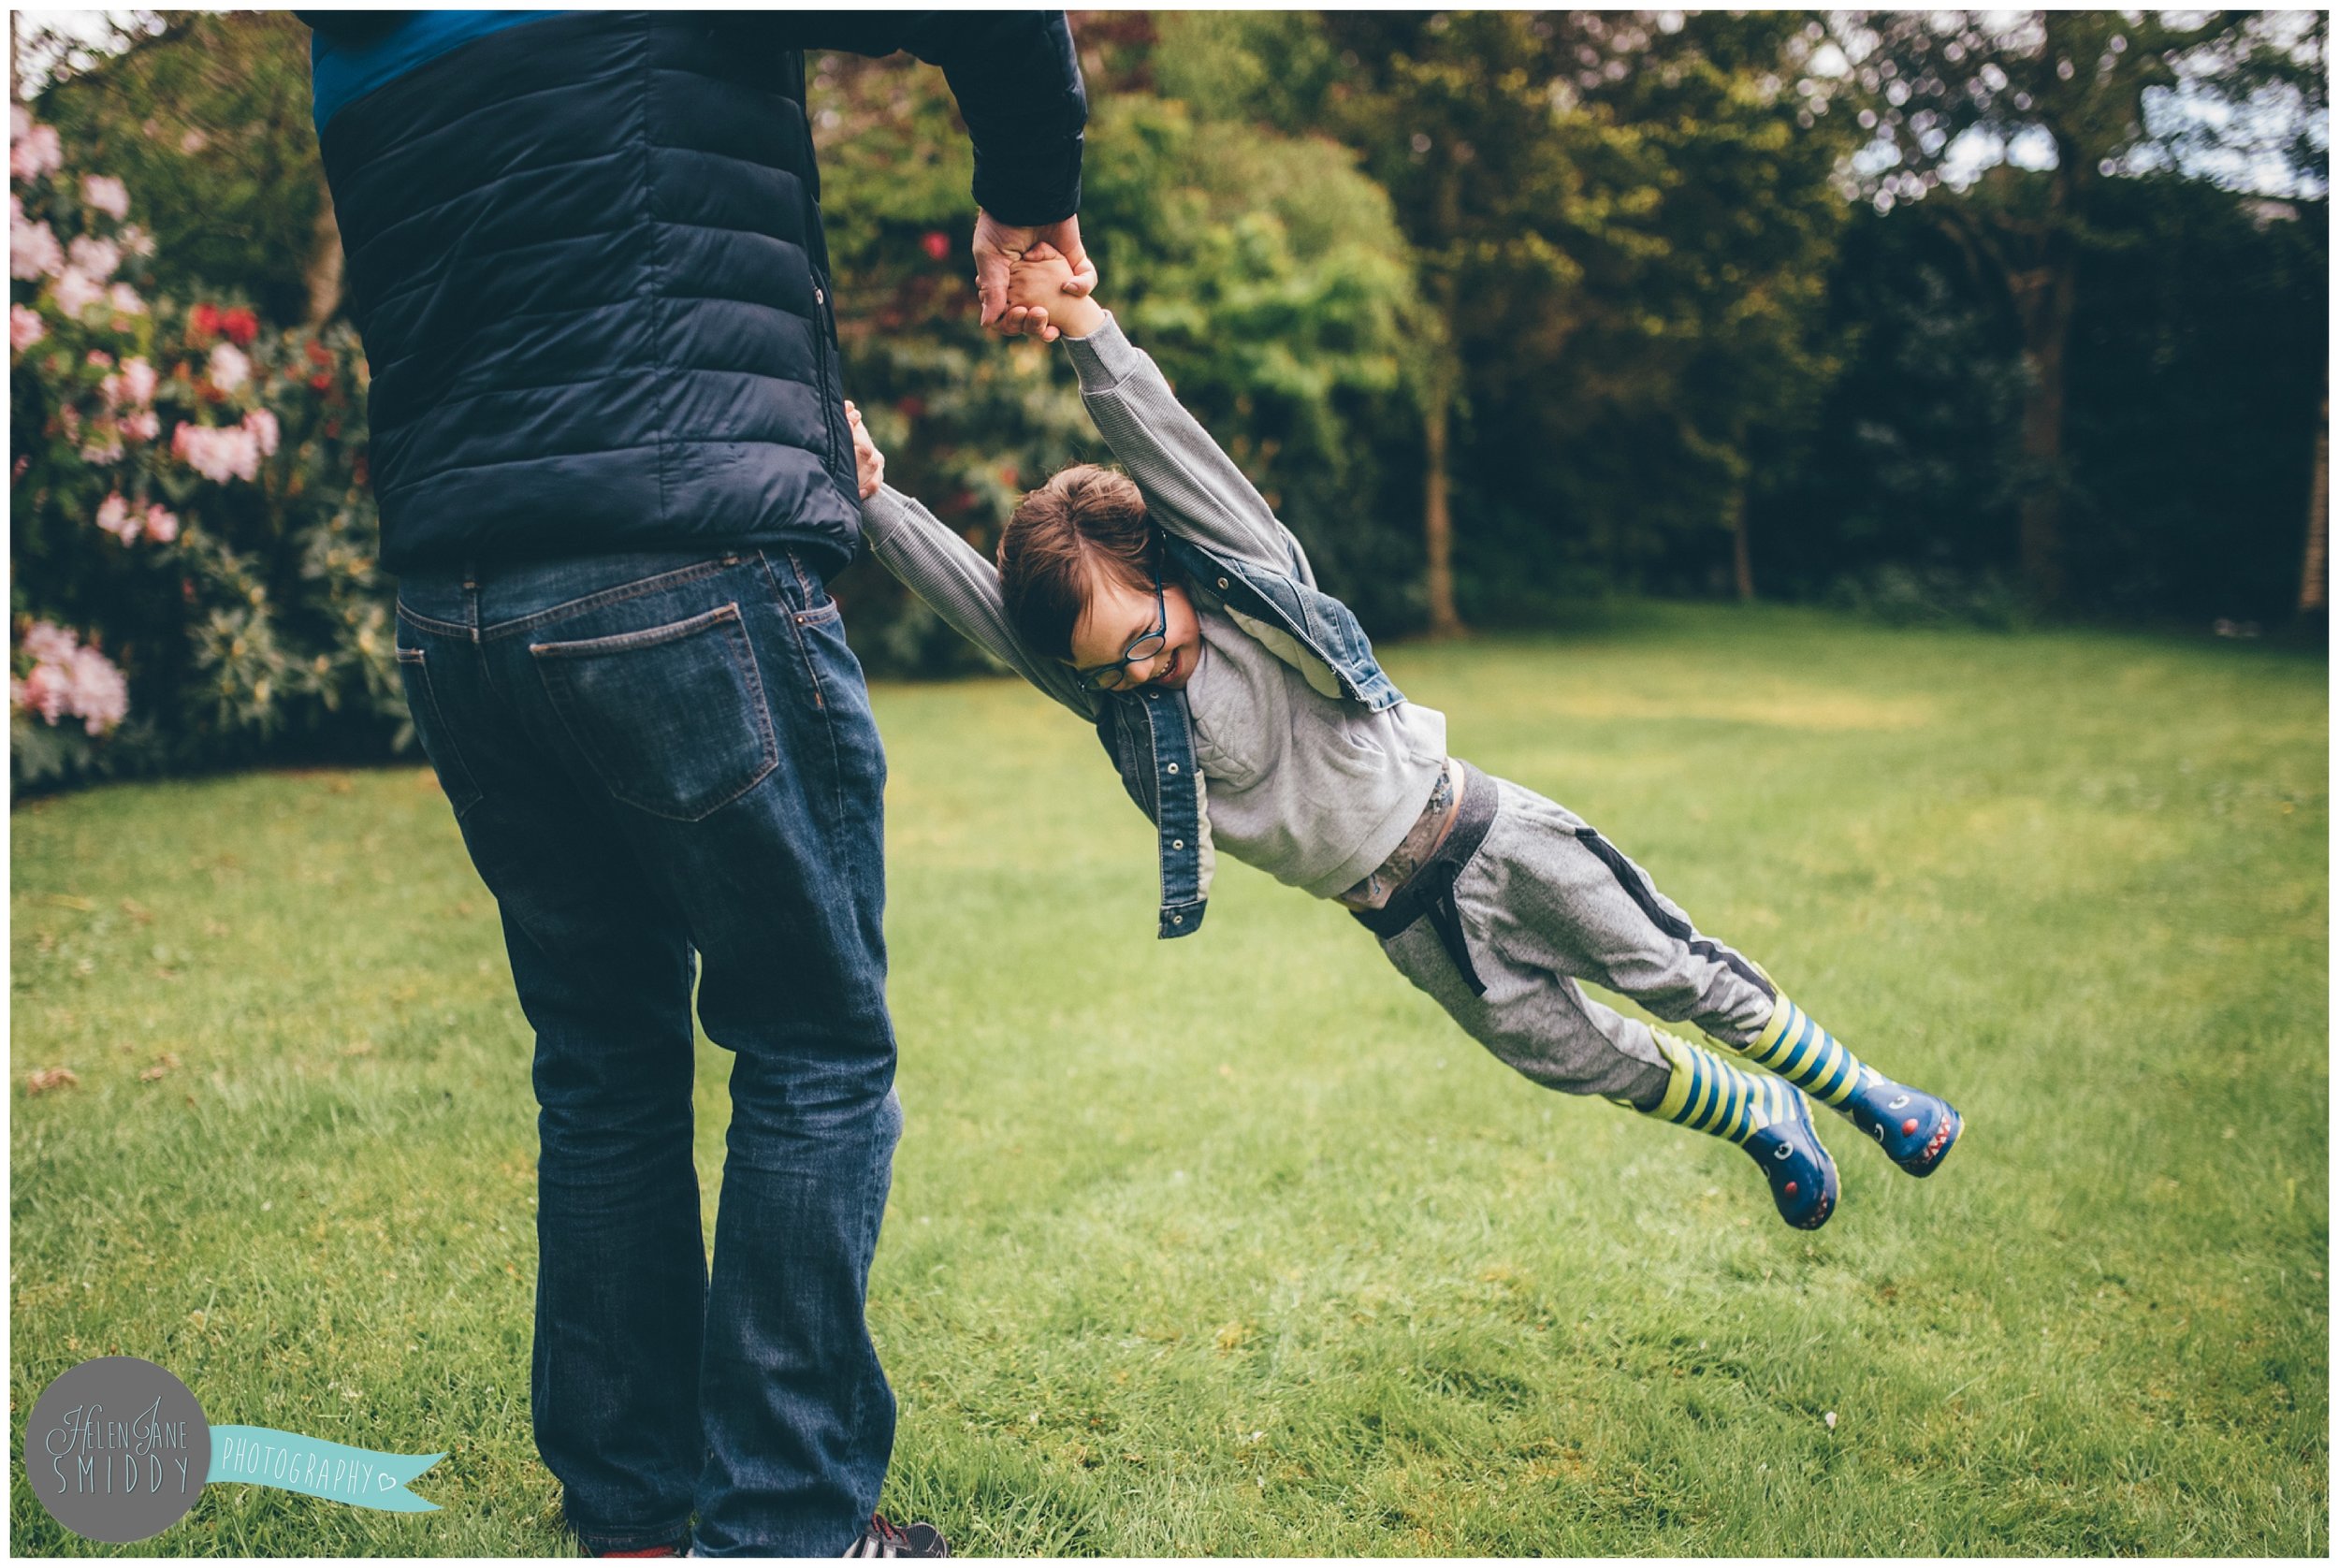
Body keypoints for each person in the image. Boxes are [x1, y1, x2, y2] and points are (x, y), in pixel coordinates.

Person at [299, 11, 1092, 1560]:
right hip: (680, 564)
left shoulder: (356, 36)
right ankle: (786, 1526)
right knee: (809, 1041)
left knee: (601, 1062)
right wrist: (1022, 197)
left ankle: (638, 1522)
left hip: (462, 613)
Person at [846, 249, 1963, 1235]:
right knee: (1578, 1057)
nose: (1139, 669)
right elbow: (984, 610)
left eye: (1144, 635)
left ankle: (1866, 1091)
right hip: (1404, 920)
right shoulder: (1120, 705)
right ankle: (1763, 1114)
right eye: (1107, 667)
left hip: (1486, 835)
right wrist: (874, 501)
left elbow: (1175, 454)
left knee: (1668, 969)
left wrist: (1087, 333)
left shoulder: (1244, 594)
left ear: (1171, 578)